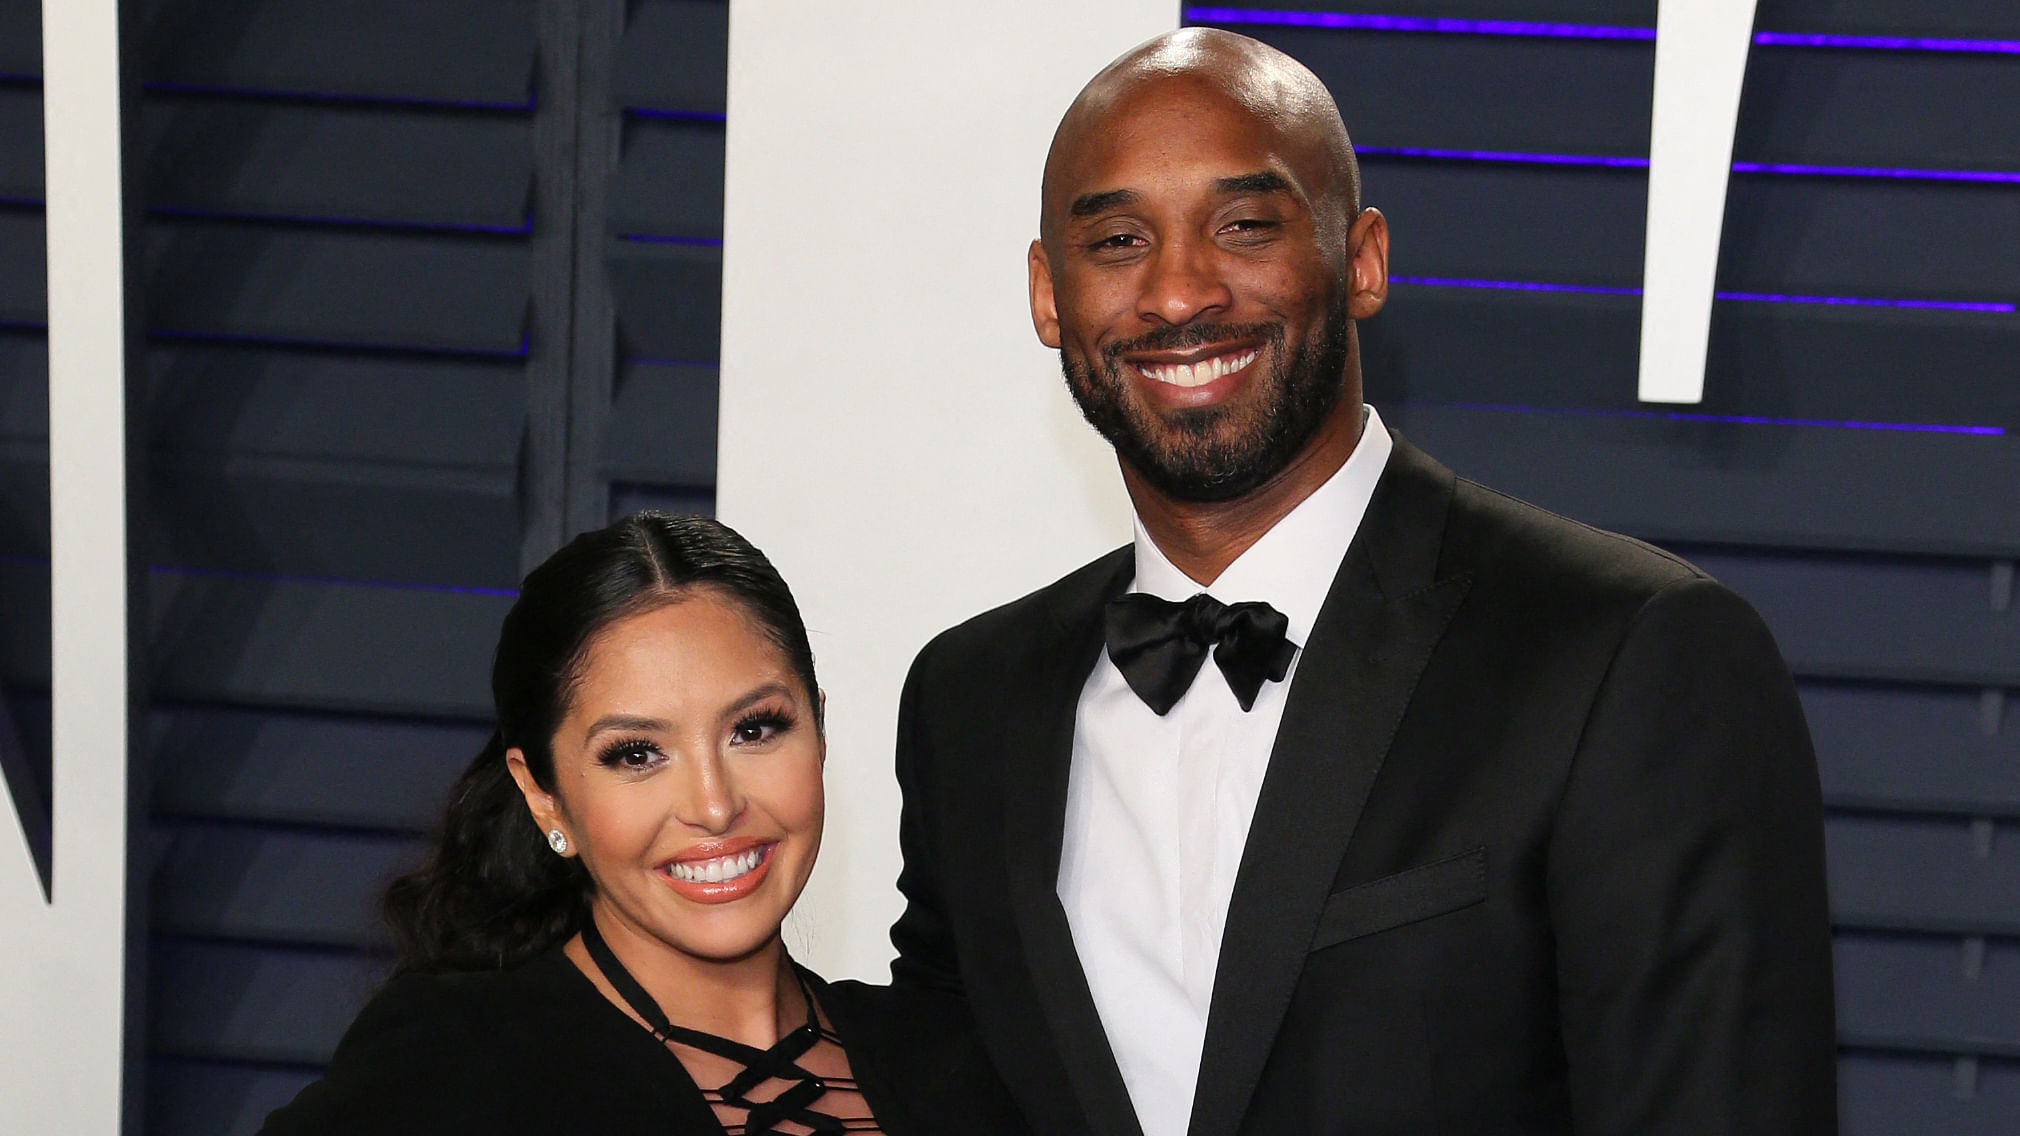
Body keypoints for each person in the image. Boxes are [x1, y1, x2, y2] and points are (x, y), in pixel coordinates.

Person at [888, 28, 1837, 1136]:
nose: (1179, 290)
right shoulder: (970, 700)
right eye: (1115, 240)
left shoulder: (1627, 656)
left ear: (1363, 259)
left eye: (1243, 225)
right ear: (1050, 297)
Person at [260, 513, 1023, 1136]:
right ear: (543, 795)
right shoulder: (454, 1067)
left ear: (818, 730)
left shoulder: (952, 1058)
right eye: (636, 753)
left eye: (754, 730)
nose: (715, 805)